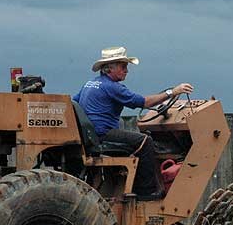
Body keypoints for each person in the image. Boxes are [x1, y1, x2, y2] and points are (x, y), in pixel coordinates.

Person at [73, 46, 193, 201]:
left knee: (132, 136)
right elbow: (144, 102)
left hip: (92, 135)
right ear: (110, 68)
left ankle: (129, 183)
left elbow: (74, 102)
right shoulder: (113, 87)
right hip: (103, 134)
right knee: (145, 141)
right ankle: (147, 192)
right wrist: (172, 92)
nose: (126, 70)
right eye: (123, 66)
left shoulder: (90, 84)